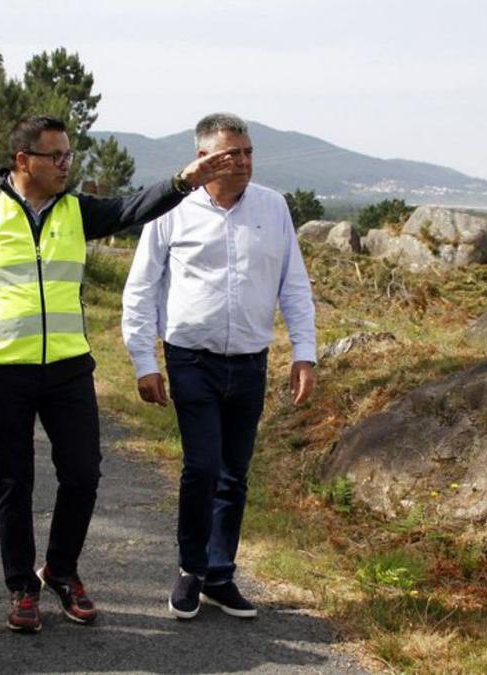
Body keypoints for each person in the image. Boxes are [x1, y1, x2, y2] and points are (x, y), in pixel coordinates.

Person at [0, 115, 236, 634]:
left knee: (83, 474)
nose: (66, 165)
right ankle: (21, 586)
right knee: (12, 480)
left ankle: (61, 570)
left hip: (69, 368)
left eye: (69, 156)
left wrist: (185, 180)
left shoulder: (76, 211)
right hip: (4, 371)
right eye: (56, 157)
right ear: (23, 160)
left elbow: (133, 207)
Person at [121, 113, 317, 621]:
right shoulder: (173, 209)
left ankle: (220, 574)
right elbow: (141, 289)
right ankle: (190, 568)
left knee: (235, 474)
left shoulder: (273, 208)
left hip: (251, 361)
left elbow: (293, 284)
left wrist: (304, 351)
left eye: (249, 151)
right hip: (191, 359)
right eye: (234, 154)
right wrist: (145, 360)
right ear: (205, 158)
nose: (245, 161)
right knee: (202, 467)